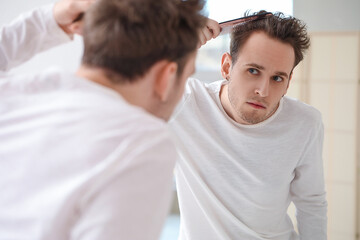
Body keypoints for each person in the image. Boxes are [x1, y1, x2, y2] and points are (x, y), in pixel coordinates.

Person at [0, 0, 207, 239]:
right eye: (187, 76)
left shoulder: (13, 94)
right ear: (167, 76)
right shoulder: (142, 142)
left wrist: (50, 20)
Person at [170, 11, 327, 240]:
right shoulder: (186, 104)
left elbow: (311, 203)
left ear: (288, 82)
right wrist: (173, 42)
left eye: (277, 78)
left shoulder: (305, 123)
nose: (263, 91)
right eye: (253, 71)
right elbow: (115, 82)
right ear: (226, 67)